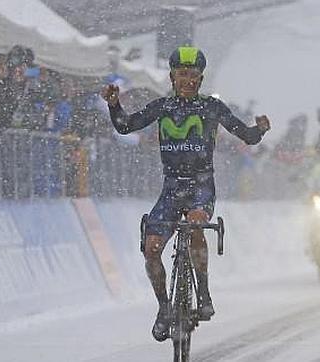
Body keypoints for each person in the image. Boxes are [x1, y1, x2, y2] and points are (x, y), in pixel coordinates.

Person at [102, 46, 271, 342]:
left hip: (201, 187)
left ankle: (203, 292)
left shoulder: (212, 108)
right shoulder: (162, 107)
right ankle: (164, 309)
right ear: (172, 77)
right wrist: (114, 105)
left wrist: (260, 129)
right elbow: (125, 126)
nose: (188, 81)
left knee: (195, 223)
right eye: (182, 75)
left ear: (201, 79)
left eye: (193, 76)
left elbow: (246, 135)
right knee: (152, 249)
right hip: (170, 188)